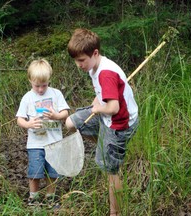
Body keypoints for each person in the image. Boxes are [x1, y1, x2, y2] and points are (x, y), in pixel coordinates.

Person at [65, 28, 139, 216]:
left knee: (109, 168)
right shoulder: (93, 66)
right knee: (71, 123)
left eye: (81, 60)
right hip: (106, 116)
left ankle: (116, 212)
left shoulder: (106, 73)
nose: (78, 65)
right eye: (76, 60)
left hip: (119, 124)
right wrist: (97, 102)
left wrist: (97, 109)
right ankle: (104, 145)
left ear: (95, 53)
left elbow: (113, 108)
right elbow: (103, 96)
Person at [16, 58, 70, 206]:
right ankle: (33, 197)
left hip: (54, 141)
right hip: (35, 143)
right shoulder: (27, 97)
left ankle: (50, 196)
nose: (40, 89)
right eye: (37, 86)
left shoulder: (56, 94)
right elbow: (19, 119)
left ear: (49, 80)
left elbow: (65, 112)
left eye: (44, 85)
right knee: (35, 169)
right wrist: (28, 124)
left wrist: (56, 116)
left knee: (52, 171)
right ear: (30, 81)